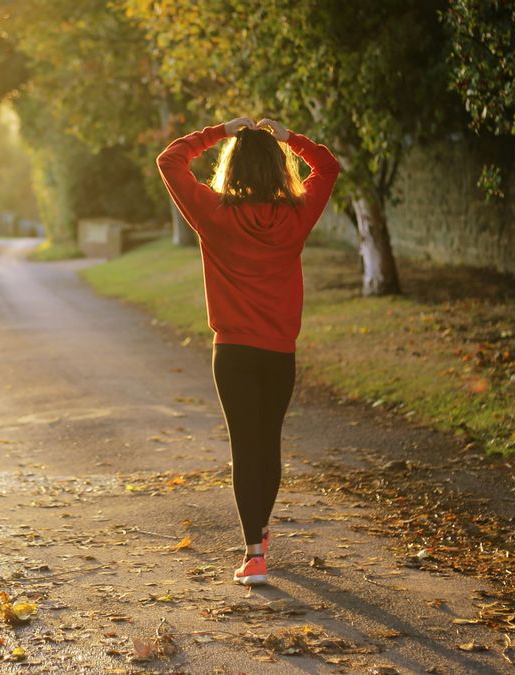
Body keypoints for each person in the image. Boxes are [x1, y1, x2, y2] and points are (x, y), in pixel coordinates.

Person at [156, 116, 341, 585]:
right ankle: (258, 533)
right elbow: (329, 166)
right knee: (268, 443)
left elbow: (170, 160)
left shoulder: (213, 213)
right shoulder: (297, 215)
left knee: (245, 446)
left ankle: (254, 552)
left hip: (233, 352)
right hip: (279, 351)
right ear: (279, 169)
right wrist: (289, 138)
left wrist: (220, 131)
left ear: (231, 168)